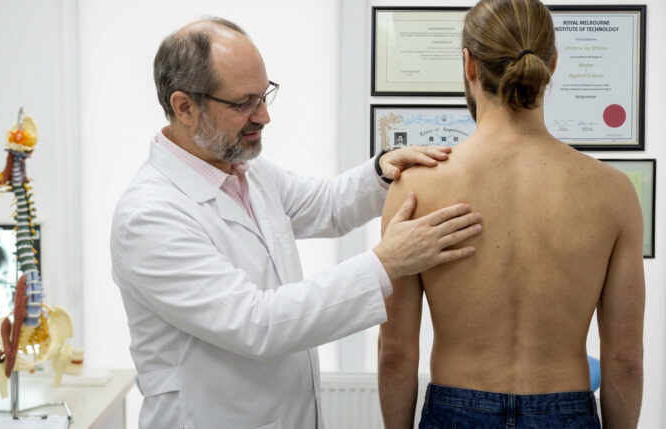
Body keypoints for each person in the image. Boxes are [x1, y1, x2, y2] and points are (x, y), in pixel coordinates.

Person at [110, 17, 483, 429]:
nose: (264, 116)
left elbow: (328, 205)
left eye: (264, 95)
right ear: (184, 107)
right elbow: (257, 324)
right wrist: (386, 263)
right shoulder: (149, 217)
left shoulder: (245, 173)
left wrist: (381, 171)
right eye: (244, 103)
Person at [377, 0, 645, 428]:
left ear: (469, 64)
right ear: (552, 64)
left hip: (456, 411)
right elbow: (624, 359)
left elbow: (396, 352)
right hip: (565, 411)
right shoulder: (613, 192)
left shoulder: (416, 186)